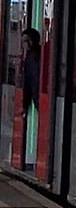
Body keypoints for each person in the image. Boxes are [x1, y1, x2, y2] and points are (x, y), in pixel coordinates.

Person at [19, 28, 41, 167]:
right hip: (38, 98)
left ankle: (34, 160)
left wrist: (24, 105)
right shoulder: (39, 55)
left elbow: (30, 82)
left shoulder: (31, 58)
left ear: (30, 42)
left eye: (24, 41)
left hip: (37, 98)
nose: (23, 45)